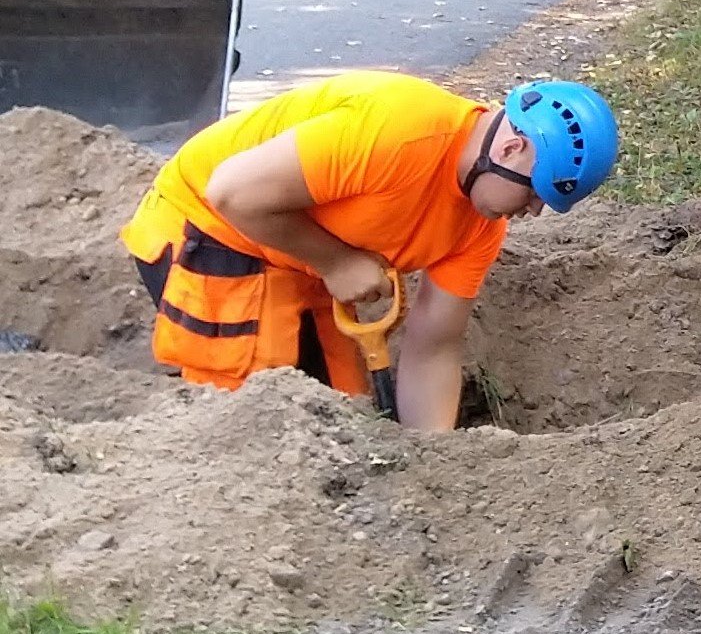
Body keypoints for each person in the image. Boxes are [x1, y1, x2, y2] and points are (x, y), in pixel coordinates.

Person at [118, 72, 620, 430]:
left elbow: (434, 346)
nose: (533, 210)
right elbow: (231, 192)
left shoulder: (480, 225)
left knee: (346, 419)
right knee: (267, 424)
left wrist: (433, 459)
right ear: (513, 149)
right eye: (535, 193)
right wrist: (336, 262)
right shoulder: (399, 133)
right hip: (207, 228)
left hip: (290, 257)